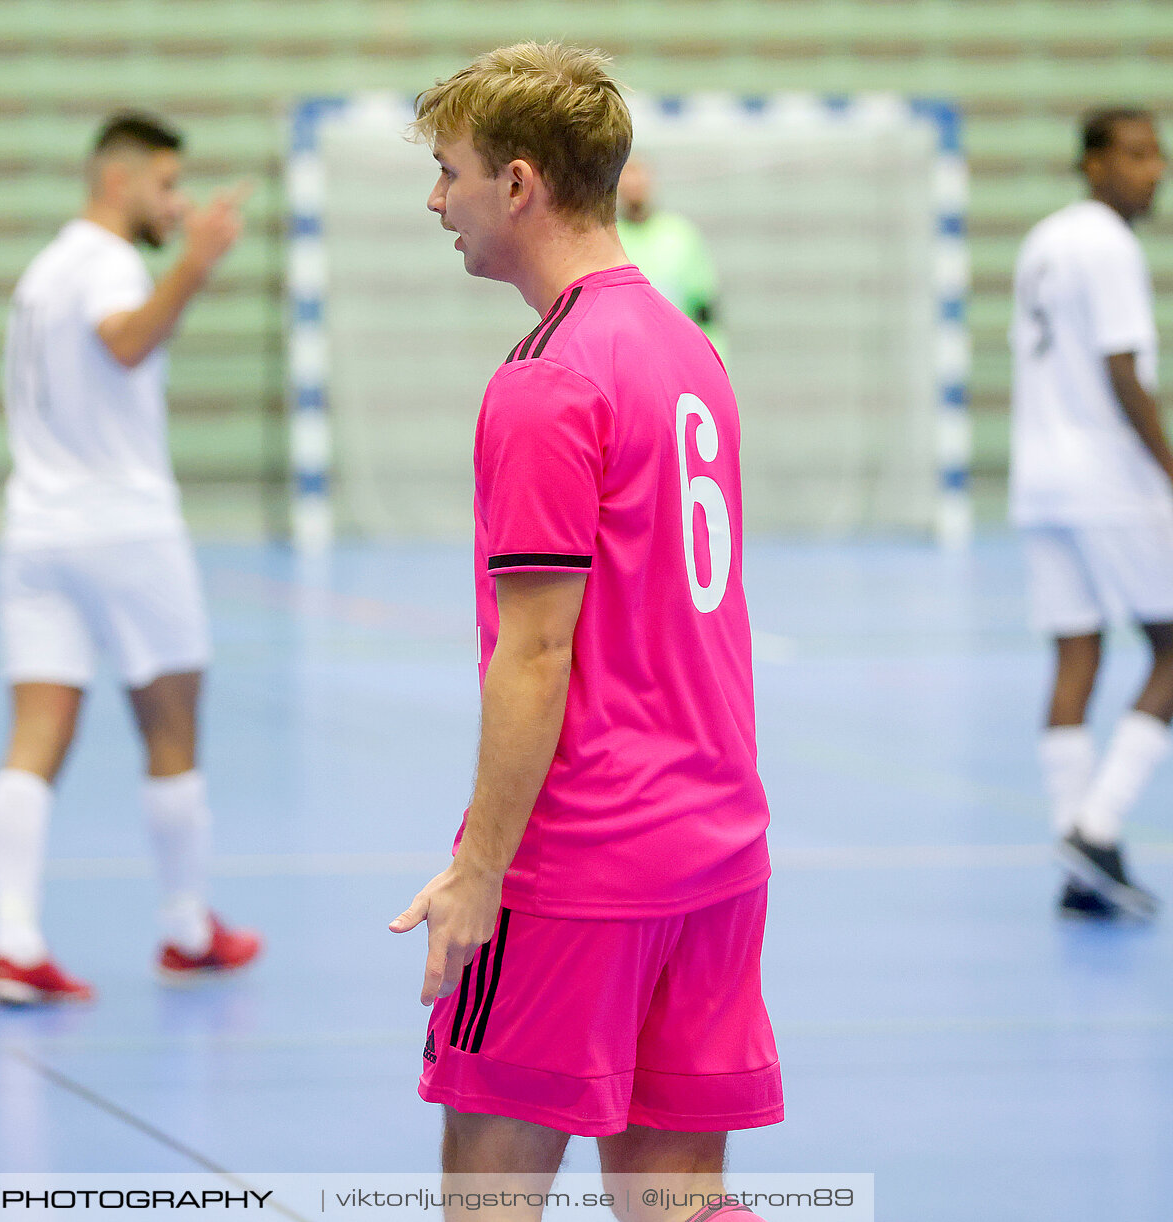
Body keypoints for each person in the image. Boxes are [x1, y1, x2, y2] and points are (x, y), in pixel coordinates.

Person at [389, 44, 780, 1222]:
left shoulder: (549, 378)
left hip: (583, 859)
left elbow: (537, 653)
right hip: (715, 846)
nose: (434, 202)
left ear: (519, 184)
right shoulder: (685, 345)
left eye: (449, 173)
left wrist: (480, 871)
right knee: (680, 1204)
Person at [0, 111, 262, 1005]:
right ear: (119, 181)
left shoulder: (43, 270)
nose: (176, 206)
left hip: (35, 531)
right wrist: (200, 261)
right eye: (167, 186)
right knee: (172, 729)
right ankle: (186, 929)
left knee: (35, 738)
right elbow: (128, 339)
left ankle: (13, 942)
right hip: (124, 529)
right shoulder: (106, 263)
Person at [1011, 107, 1169, 921]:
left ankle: (1077, 857)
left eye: (1159, 155)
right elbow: (1123, 372)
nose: (1155, 170)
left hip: (1040, 479)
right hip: (1106, 480)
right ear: (1094, 163)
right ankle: (1100, 824)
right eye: (1138, 155)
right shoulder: (1109, 244)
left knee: (1076, 656)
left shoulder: (1045, 240)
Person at [616, 155, 725, 357]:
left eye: (639, 179)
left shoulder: (680, 234)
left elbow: (704, 307)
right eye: (627, 181)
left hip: (679, 354)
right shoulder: (610, 237)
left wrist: (713, 358)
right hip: (629, 356)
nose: (634, 188)